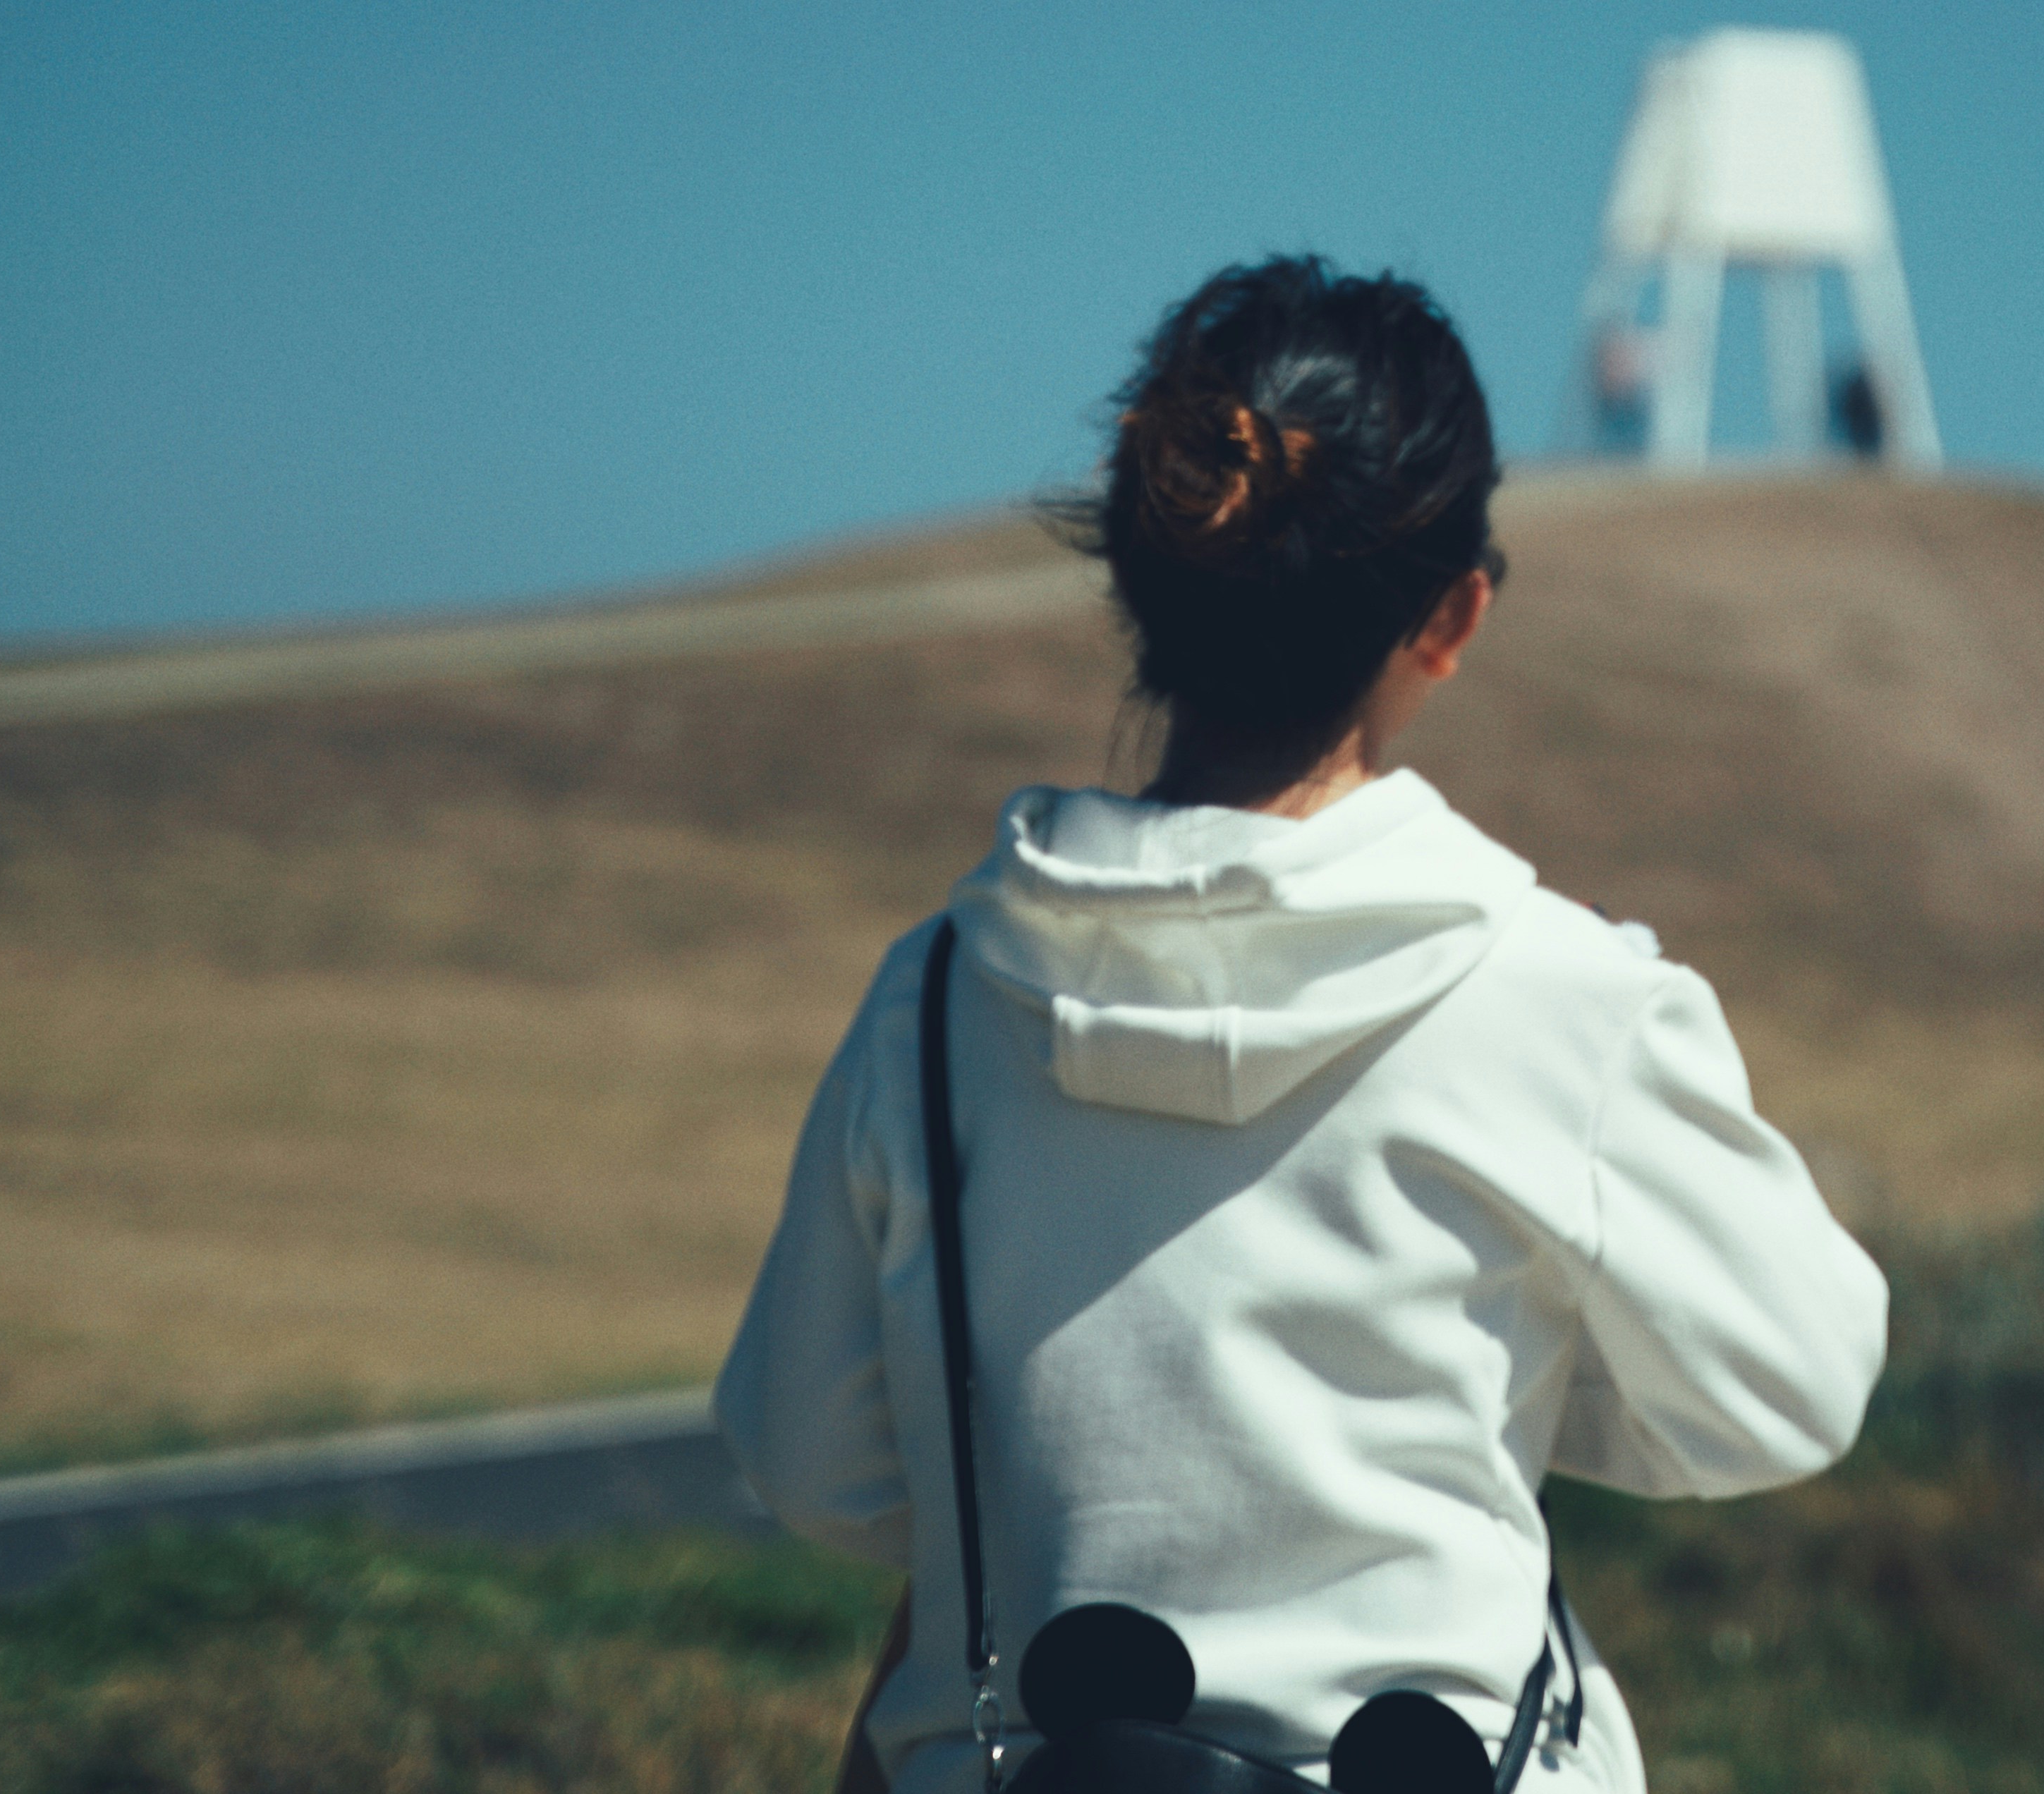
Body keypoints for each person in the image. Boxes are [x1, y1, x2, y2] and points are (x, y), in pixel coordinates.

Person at [716, 257, 1887, 1794]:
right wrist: (1494, 1373)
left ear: (1135, 583)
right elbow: (1793, 1389)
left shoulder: (935, 997)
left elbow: (810, 1460)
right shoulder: (1562, 999)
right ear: (1453, 615)